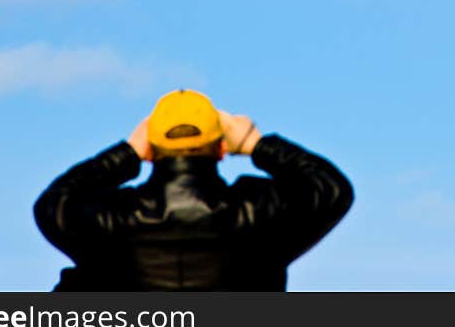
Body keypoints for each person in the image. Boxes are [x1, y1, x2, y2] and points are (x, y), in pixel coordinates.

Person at [33, 89, 354, 290]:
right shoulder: (257, 213)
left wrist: (126, 153)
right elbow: (331, 189)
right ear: (221, 149)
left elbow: (54, 205)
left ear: (151, 150)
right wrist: (256, 143)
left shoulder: (112, 220)